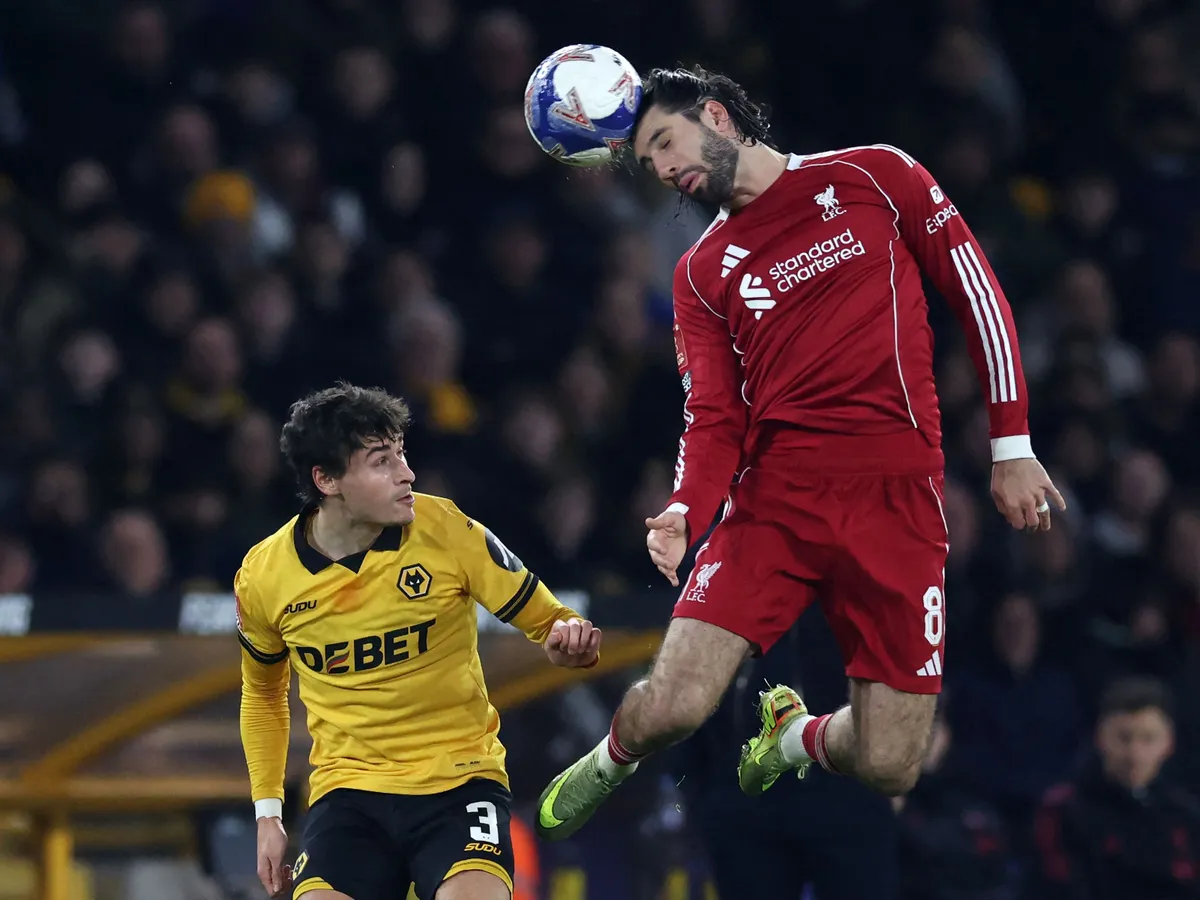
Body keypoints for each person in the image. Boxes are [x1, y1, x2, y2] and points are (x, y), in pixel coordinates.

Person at [536, 65, 1064, 840]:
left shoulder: (874, 175)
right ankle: (612, 757)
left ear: (716, 115)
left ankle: (790, 738)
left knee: (892, 763)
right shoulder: (701, 273)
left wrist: (1011, 446)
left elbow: (978, 293)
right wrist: (687, 508)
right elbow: (714, 416)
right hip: (775, 505)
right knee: (673, 709)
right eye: (647, 163)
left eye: (663, 143)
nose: (663, 170)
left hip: (898, 502)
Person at [237, 383, 602, 900]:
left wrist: (569, 641)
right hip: (348, 794)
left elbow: (551, 621)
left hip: (459, 783)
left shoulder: (446, 530)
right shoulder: (264, 576)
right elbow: (264, 695)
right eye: (381, 461)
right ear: (327, 479)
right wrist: (268, 815)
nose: (406, 474)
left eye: (402, 454)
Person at [1029, 676, 1200, 899]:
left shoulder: (1186, 816)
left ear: (1168, 744)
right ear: (1100, 738)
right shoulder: (1063, 813)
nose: (1134, 754)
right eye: (1124, 738)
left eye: (1148, 739)